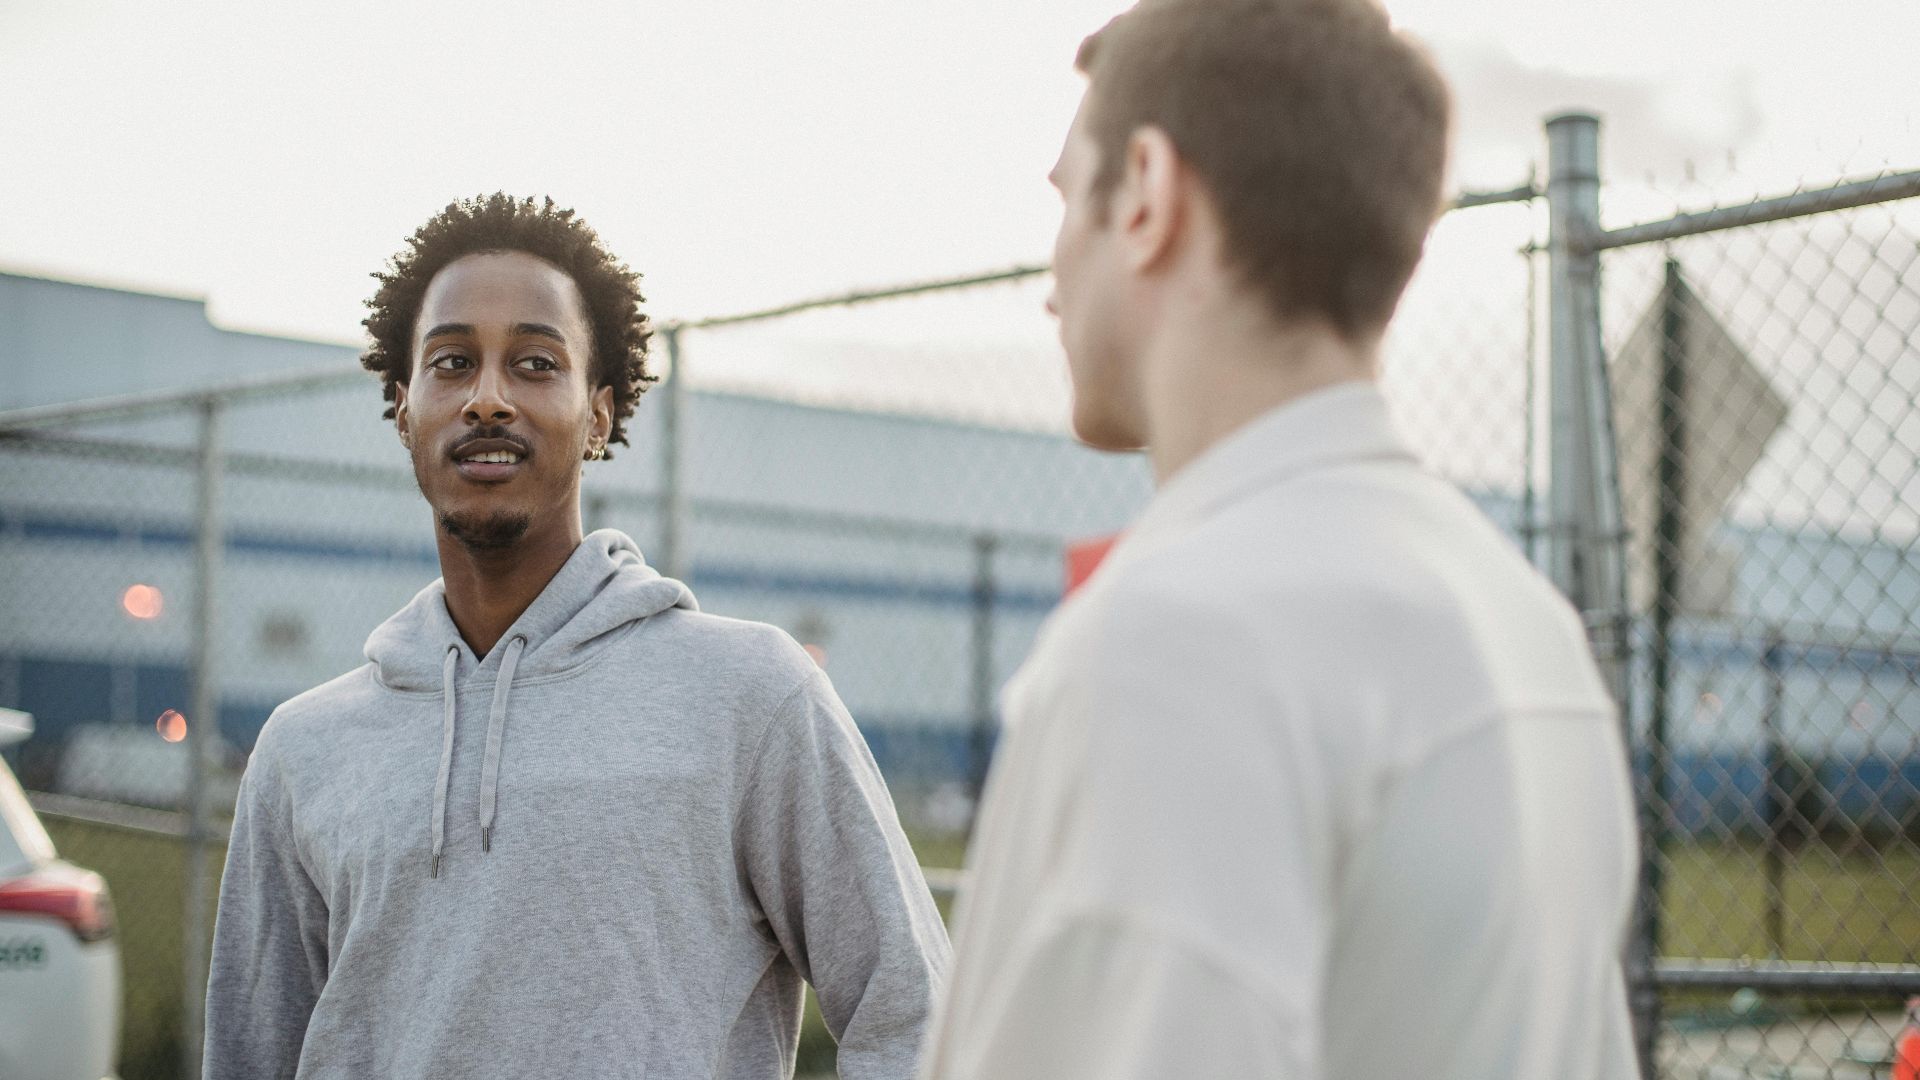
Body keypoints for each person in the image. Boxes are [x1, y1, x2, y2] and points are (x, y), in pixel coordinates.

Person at [917, 1, 1639, 1077]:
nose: (1050, 278)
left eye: (1070, 199)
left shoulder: (1177, 645)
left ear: (1151, 197)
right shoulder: (1535, 631)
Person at [205, 194, 949, 1079]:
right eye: (451, 363)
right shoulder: (304, 750)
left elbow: (915, 1014)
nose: (487, 398)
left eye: (533, 363)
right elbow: (251, 1057)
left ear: (598, 415)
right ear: (404, 409)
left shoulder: (751, 697)